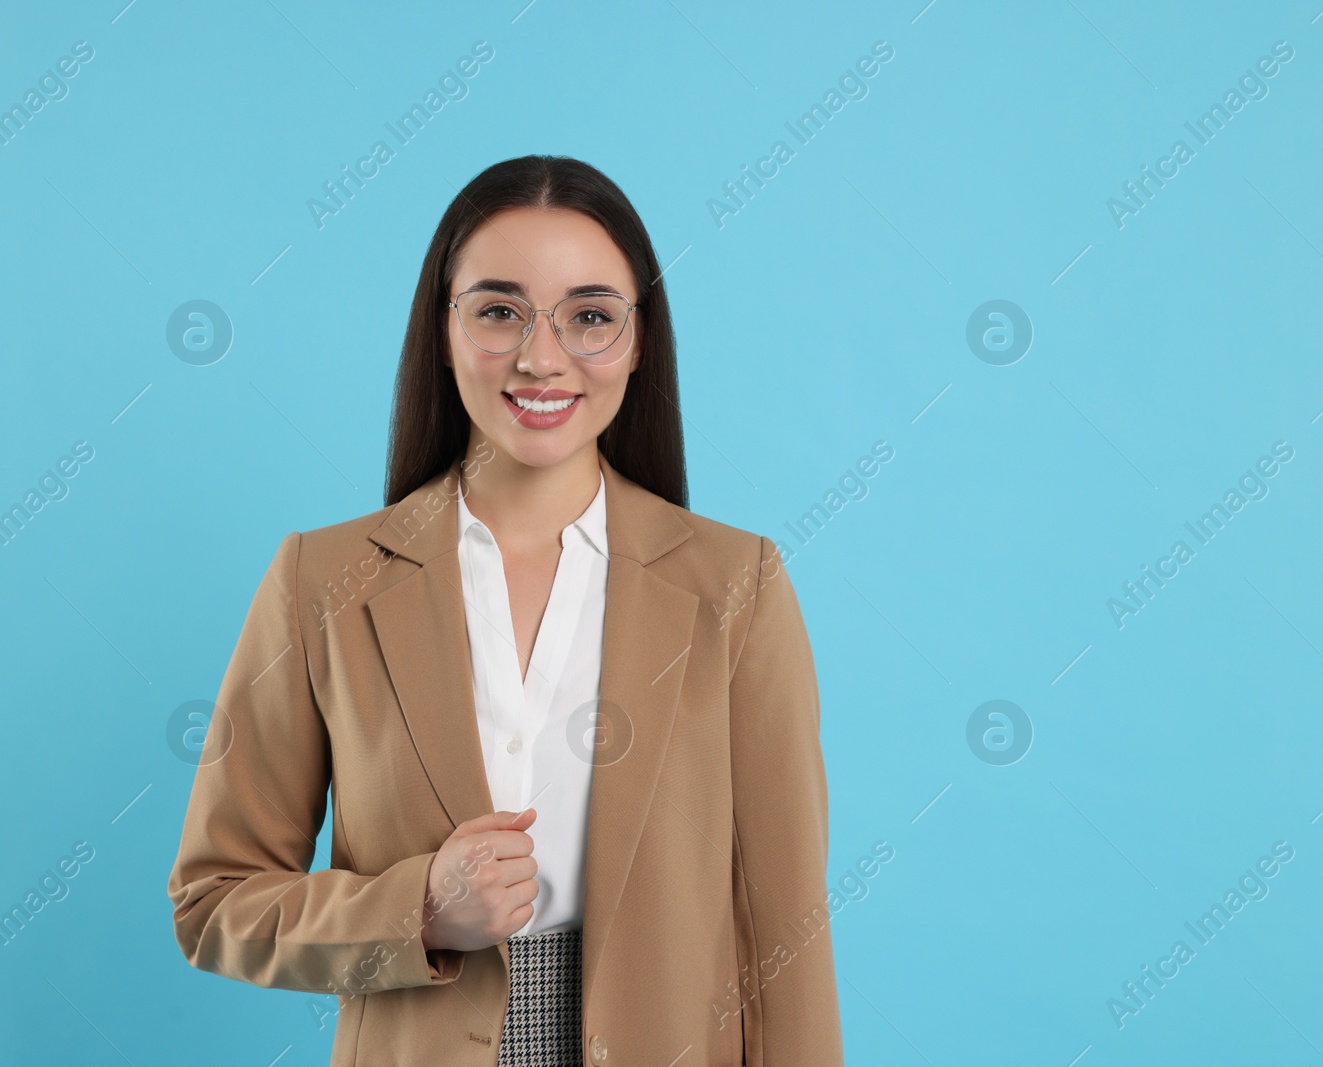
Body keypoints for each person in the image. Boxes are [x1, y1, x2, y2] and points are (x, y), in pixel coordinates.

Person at [167, 154, 843, 1067]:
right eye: (498, 310)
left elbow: (786, 939)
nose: (541, 356)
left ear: (639, 341)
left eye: (591, 316)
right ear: (442, 332)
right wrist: (420, 911)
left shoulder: (737, 584)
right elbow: (215, 902)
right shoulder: (319, 580)